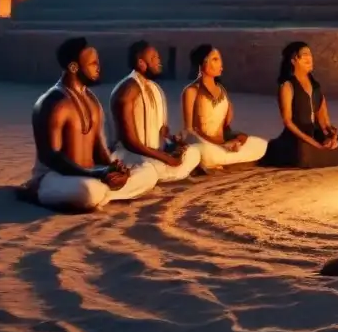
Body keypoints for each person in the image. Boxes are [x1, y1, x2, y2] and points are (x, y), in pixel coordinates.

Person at [20, 37, 157, 212]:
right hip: (56, 177)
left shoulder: (92, 101)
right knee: (89, 191)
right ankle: (37, 193)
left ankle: (103, 193)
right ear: (73, 67)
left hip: (91, 174)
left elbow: (100, 149)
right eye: (93, 63)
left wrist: (114, 169)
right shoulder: (52, 102)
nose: (98, 67)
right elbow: (51, 157)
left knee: (149, 172)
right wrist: (95, 174)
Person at [109, 40, 201, 182]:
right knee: (150, 169)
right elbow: (130, 143)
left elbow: (161, 132)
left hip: (156, 153)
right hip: (131, 154)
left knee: (194, 152)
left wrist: (171, 141)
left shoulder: (154, 88)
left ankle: (163, 173)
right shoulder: (126, 91)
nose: (159, 61)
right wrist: (166, 158)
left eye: (158, 57)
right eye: (153, 58)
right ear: (141, 63)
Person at [261, 41, 338, 168]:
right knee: (303, 152)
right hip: (297, 139)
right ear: (293, 60)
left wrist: (332, 137)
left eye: (310, 55)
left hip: (315, 136)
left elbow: (325, 123)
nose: (309, 58)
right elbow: (288, 122)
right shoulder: (287, 86)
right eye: (304, 54)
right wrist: (314, 144)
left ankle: (319, 153)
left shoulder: (316, 87)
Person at [183, 44, 268, 170]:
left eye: (220, 59)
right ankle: (221, 160)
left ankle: (225, 159)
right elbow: (189, 130)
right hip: (206, 144)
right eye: (215, 59)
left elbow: (226, 126)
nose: (220, 63)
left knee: (261, 144)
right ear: (202, 63)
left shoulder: (222, 90)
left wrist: (235, 140)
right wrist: (221, 144)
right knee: (205, 153)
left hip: (225, 144)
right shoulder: (191, 91)